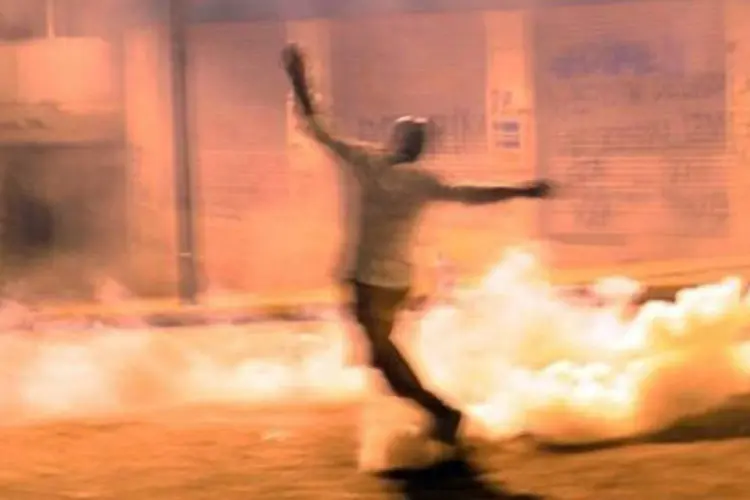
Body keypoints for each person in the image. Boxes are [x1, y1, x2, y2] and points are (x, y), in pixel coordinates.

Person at [295, 109, 554, 448]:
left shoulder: (368, 163)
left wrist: (298, 82)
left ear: (395, 140)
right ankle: (436, 412)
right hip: (395, 283)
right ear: (416, 148)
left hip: (368, 282)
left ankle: (442, 413)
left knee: (382, 356)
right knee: (380, 355)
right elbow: (469, 195)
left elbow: (319, 130)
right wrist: (523, 190)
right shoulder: (419, 181)